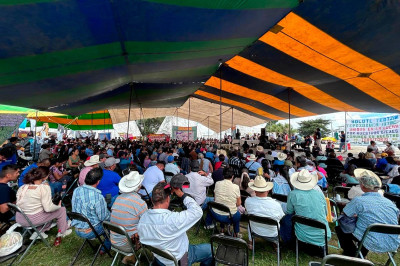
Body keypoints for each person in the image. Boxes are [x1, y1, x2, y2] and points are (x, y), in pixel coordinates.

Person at [138, 179, 213, 266]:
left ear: (152, 199)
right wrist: (181, 194)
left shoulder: (142, 220)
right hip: (180, 260)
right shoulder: (173, 220)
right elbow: (197, 211)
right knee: (210, 250)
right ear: (168, 199)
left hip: (160, 258)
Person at [336, 169, 400, 257]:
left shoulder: (359, 200)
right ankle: (359, 254)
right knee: (365, 227)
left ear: (362, 186)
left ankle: (351, 254)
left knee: (341, 227)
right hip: (392, 241)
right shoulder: (389, 203)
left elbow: (345, 213)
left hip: (370, 238)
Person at [17, 167, 71, 240]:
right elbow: (48, 208)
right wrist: (58, 206)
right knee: (61, 210)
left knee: (41, 210)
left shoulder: (23, 187)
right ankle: (63, 232)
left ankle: (39, 231)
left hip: (20, 218)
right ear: (46, 177)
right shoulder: (43, 188)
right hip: (32, 220)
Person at [286, 169, 331, 257]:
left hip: (302, 234)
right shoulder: (319, 194)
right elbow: (325, 213)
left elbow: (289, 211)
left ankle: (288, 242)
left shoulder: (293, 194)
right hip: (323, 235)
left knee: (287, 218)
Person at [110, 171, 147, 265]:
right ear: (139, 186)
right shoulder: (140, 203)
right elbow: (147, 224)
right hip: (129, 244)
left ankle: (129, 257)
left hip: (114, 240)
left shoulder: (117, 198)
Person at [71, 167, 111, 253]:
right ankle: (106, 246)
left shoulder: (76, 190)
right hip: (90, 230)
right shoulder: (98, 197)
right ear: (98, 182)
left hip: (77, 228)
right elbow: (104, 218)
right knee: (111, 225)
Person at [245, 176, 285, 248]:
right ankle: (275, 244)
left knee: (250, 220)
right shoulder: (276, 204)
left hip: (255, 230)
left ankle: (250, 242)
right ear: (268, 190)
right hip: (272, 233)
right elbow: (281, 217)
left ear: (255, 190)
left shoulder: (248, 201)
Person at [205, 167, 241, 237]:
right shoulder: (236, 187)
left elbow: (215, 199)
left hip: (216, 213)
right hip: (227, 216)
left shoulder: (217, 183)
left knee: (223, 206)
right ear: (232, 176)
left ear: (223, 175)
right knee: (237, 215)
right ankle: (236, 233)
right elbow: (238, 203)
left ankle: (222, 229)